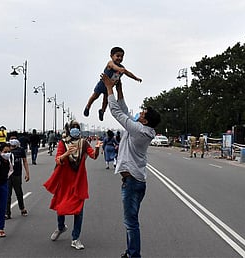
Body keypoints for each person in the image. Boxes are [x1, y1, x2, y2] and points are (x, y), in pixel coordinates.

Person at [102, 73, 161, 258]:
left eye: (142, 113)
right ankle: (130, 252)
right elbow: (125, 110)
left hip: (132, 182)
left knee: (131, 223)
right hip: (135, 181)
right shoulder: (142, 128)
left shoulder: (138, 131)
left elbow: (117, 113)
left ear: (144, 120)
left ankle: (134, 255)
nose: (139, 113)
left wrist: (108, 88)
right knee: (131, 221)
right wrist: (119, 88)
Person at [43, 120, 101, 250]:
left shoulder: (83, 143)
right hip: (64, 180)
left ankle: (75, 238)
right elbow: (58, 159)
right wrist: (66, 154)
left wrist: (97, 148)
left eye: (77, 127)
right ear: (69, 130)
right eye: (73, 127)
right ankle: (61, 227)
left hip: (78, 180)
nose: (75, 129)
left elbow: (93, 156)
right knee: (61, 206)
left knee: (78, 210)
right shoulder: (63, 143)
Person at [84, 47, 142, 121]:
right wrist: (120, 70)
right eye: (117, 56)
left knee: (106, 101)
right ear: (111, 56)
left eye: (122, 56)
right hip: (102, 84)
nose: (120, 58)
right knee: (95, 96)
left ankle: (102, 111)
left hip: (110, 88)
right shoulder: (110, 63)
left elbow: (128, 73)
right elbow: (114, 67)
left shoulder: (122, 68)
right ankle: (88, 106)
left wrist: (136, 78)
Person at [5, 138, 30, 219]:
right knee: (7, 194)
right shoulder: (6, 150)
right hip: (7, 175)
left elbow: (25, 161)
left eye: (12, 145)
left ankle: (22, 208)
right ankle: (7, 212)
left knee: (19, 193)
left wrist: (27, 173)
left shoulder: (20, 150)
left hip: (17, 175)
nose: (11, 147)